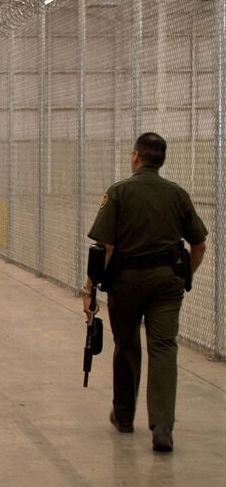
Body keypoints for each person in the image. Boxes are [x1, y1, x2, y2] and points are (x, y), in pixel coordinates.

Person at [84, 132, 207, 452]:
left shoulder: (120, 192)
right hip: (167, 285)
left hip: (126, 283)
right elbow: (199, 244)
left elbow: (105, 247)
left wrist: (90, 289)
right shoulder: (178, 195)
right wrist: (183, 276)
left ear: (136, 157)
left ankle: (124, 416)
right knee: (164, 347)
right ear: (161, 160)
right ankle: (163, 425)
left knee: (126, 345)